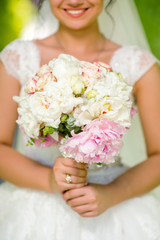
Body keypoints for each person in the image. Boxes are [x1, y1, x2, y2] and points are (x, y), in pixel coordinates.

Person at [0, 0, 160, 239]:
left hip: (115, 208)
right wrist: (50, 181)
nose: (74, 1)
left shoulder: (139, 66)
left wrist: (112, 194)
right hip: (34, 207)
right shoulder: (17, 58)